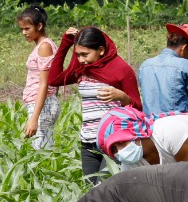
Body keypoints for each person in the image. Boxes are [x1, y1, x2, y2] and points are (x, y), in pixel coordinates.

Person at [47, 26, 140, 185]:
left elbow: (138, 109)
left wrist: (122, 97)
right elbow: (54, 79)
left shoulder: (121, 70)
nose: (81, 59)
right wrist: (65, 44)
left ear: (101, 50)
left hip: (113, 142)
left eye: (85, 54)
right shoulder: (82, 69)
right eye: (78, 55)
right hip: (88, 142)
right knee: (90, 191)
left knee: (104, 191)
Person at [97, 108, 188, 168]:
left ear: (137, 133)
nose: (120, 152)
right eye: (114, 149)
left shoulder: (170, 133)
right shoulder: (129, 164)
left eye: (121, 142)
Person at [17, 5, 60, 150]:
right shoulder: (43, 45)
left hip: (42, 105)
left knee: (42, 152)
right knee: (43, 148)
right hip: (43, 103)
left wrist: (34, 118)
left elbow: (45, 83)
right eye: (22, 29)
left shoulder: (44, 47)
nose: (24, 32)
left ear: (39, 26)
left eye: (27, 28)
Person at [138, 23, 188, 116]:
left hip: (150, 124)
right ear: (183, 48)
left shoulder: (145, 65)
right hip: (176, 124)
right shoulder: (184, 65)